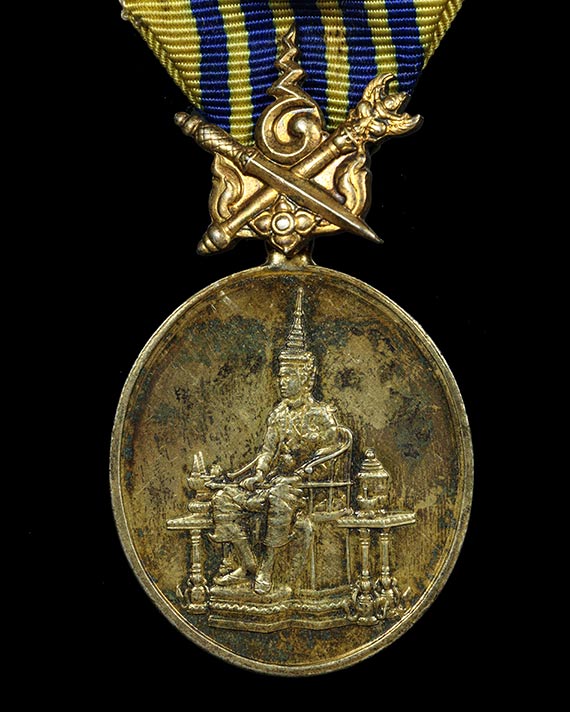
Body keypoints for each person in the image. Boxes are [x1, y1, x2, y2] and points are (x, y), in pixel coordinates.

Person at [211, 288, 343, 594]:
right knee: (224, 498)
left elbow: (333, 450)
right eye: (281, 376)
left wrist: (307, 470)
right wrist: (257, 473)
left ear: (305, 378)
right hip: (274, 481)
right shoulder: (278, 413)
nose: (282, 382)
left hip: (309, 488)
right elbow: (267, 450)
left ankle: (267, 567)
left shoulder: (321, 414)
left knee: (280, 493)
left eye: (288, 376)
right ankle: (248, 562)